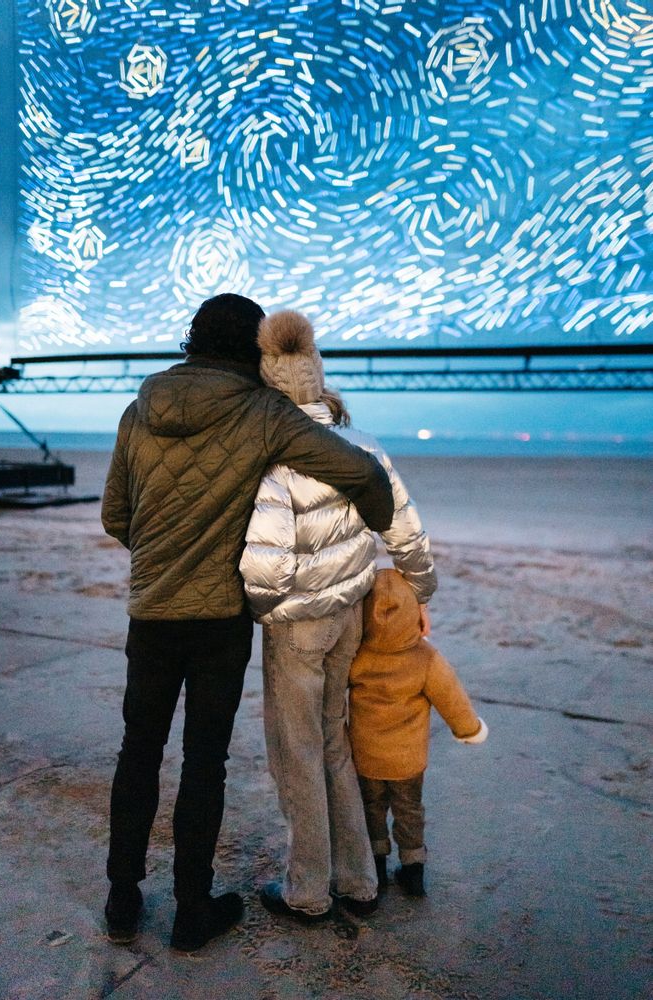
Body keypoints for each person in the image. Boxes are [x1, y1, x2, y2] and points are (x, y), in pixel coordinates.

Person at [100, 293, 394, 952]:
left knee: (137, 755)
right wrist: (372, 533)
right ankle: (190, 910)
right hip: (219, 621)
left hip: (150, 613)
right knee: (205, 763)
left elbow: (116, 515)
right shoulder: (262, 413)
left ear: (191, 340)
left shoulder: (136, 409)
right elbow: (361, 470)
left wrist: (159, 562)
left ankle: (121, 900)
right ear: (253, 350)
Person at [239, 309, 436, 923]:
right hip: (349, 616)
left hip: (299, 625)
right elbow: (405, 529)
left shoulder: (277, 460)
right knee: (333, 744)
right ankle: (358, 880)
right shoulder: (363, 445)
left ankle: (307, 891)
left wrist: (266, 612)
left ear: (271, 385)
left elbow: (266, 569)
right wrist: (421, 592)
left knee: (295, 753)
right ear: (319, 378)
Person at [349, 568, 488, 898]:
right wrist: (469, 729)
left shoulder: (357, 654)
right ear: (414, 609)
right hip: (408, 760)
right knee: (409, 811)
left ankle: (376, 869)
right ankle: (412, 871)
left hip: (366, 756)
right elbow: (451, 698)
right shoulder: (425, 658)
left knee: (371, 809)